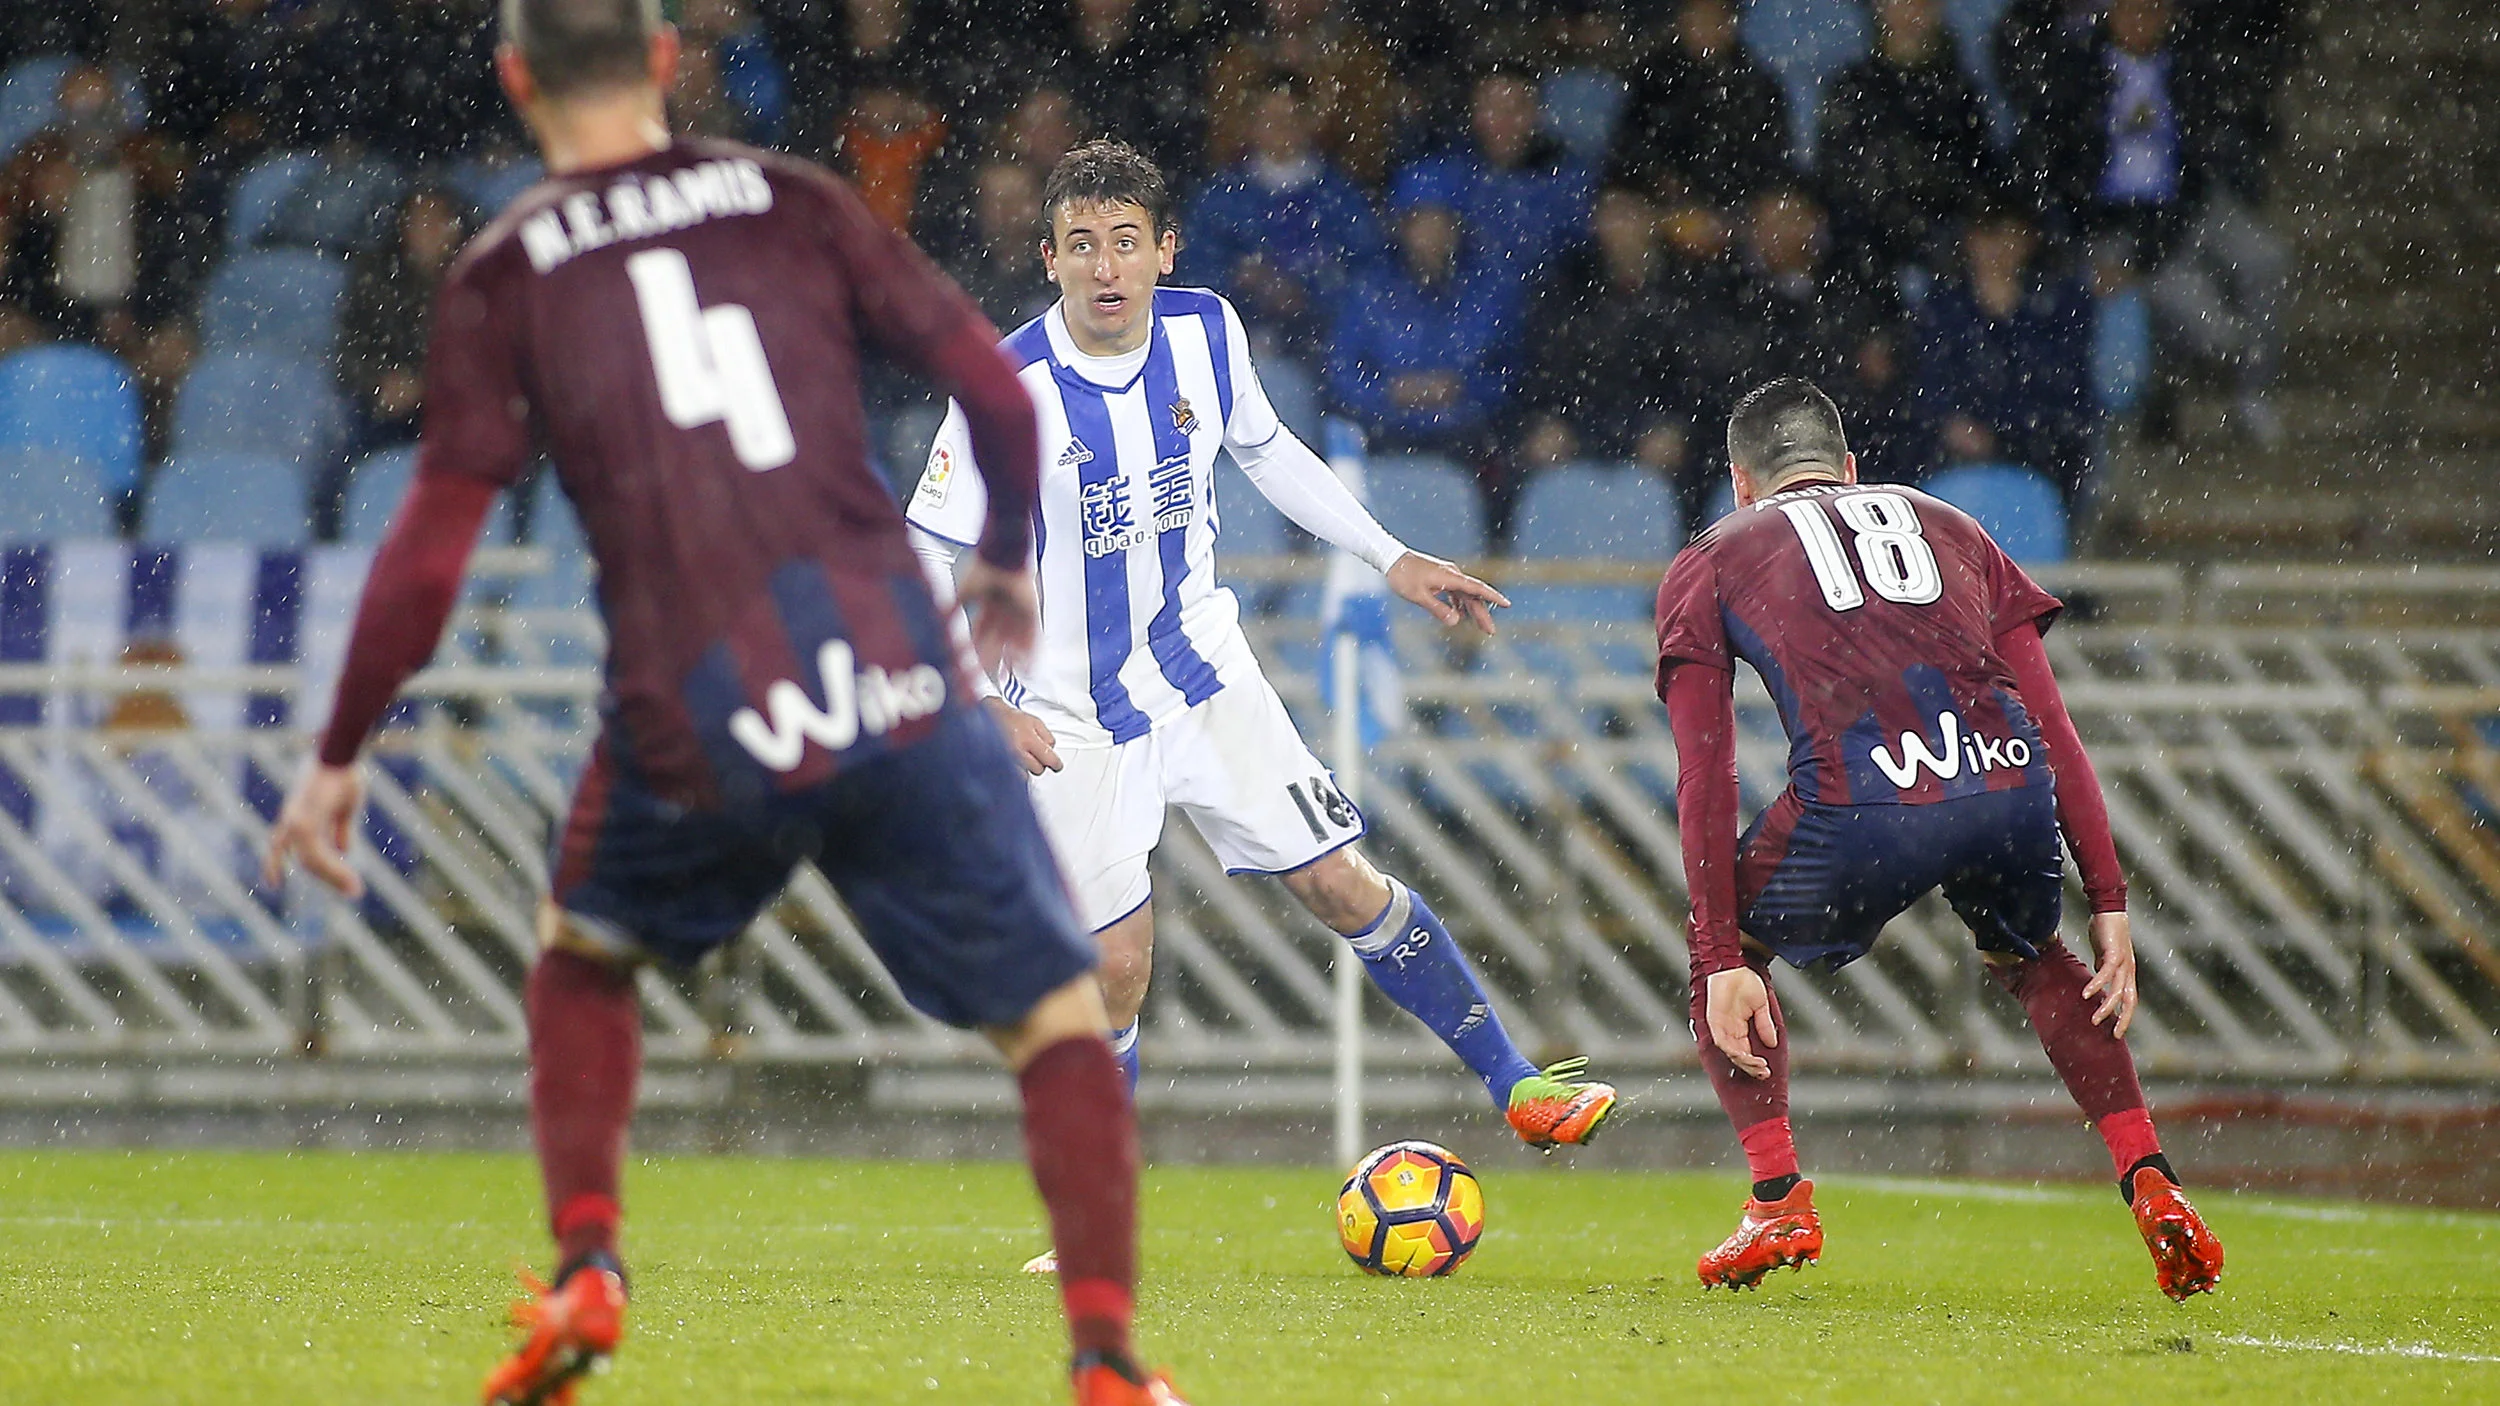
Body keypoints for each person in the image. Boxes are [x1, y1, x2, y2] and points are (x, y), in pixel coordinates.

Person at [259, 5, 1192, 1404]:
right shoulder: (788, 199)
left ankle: (588, 1262)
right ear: (657, 64)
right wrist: (1002, 560)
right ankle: (1109, 1356)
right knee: (1063, 1013)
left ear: (516, 80)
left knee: (582, 960)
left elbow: (432, 541)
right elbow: (1000, 399)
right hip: (886, 660)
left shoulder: (503, 269)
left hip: (696, 688)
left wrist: (339, 749)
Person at [905, 142, 1620, 1271]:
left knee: (1341, 880)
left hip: (1203, 672)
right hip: (1068, 711)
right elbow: (919, 548)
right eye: (1081, 243)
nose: (1107, 265)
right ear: (1048, 258)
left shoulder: (1206, 331)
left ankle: (1517, 1083)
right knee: (1116, 969)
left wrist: (1388, 556)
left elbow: (1268, 448)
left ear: (1163, 251)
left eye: (1126, 241)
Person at [1652, 377, 2225, 1300]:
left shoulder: (1714, 554)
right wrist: (2109, 898)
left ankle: (1776, 1195)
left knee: (1727, 949)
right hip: (2004, 782)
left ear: (1741, 483)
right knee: (2035, 955)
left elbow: (1705, 771)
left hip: (1860, 806)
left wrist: (1720, 949)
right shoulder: (1950, 522)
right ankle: (2150, 1176)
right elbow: (2055, 724)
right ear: (1848, 469)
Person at [1913, 200, 2100, 511]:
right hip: (1956, 455)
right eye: (1988, 235)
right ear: (1969, 240)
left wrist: (2008, 438)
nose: (1999, 249)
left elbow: (2067, 387)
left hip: (2043, 448)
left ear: (2030, 240)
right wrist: (1954, 424)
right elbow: (1929, 384)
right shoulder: (1942, 306)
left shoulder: (2058, 305)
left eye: (2010, 235)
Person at [1815, 0, 1997, 272]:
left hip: (1941, 241)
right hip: (1866, 246)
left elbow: (1976, 171)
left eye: (1922, 5)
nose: (1910, 13)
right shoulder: (1851, 87)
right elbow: (1836, 174)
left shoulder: (1957, 90)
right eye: (1901, 3)